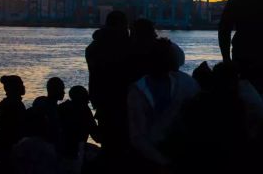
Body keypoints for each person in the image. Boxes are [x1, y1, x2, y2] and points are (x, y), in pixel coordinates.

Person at [127, 38, 200, 166]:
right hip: (154, 158)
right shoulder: (185, 83)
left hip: (173, 153)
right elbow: (138, 137)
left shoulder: (137, 90)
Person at [85, 11, 131, 152]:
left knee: (109, 145)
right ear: (121, 25)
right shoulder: (124, 46)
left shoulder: (93, 47)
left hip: (102, 101)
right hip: (122, 102)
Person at [0, 75, 28, 155]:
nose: (23, 86)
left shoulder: (8, 103)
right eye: (21, 84)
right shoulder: (13, 105)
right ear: (15, 87)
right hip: (9, 150)